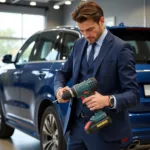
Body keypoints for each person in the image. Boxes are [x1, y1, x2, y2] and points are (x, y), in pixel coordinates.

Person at [54, 1, 140, 150]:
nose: (86, 35)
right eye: (82, 31)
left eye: (90, 29)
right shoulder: (78, 45)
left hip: (106, 131)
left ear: (101, 21)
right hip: (77, 129)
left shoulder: (121, 49)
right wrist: (59, 89)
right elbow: (62, 73)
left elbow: (133, 94)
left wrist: (107, 100)